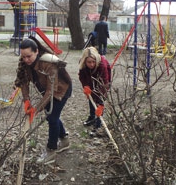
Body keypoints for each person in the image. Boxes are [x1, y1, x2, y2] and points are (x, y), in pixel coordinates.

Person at [14, 36, 72, 164]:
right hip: (47, 91)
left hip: (61, 90)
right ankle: (64, 140)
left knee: (52, 118)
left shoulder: (49, 63)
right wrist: (26, 101)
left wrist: (37, 109)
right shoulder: (25, 63)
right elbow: (23, 82)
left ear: (36, 52)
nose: (26, 59)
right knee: (52, 116)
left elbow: (51, 91)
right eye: (23, 56)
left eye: (29, 56)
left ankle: (51, 150)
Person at [78, 47, 110, 136]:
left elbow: (104, 82)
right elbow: (82, 77)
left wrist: (100, 103)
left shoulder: (102, 64)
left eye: (93, 61)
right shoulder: (82, 64)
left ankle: (98, 123)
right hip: (90, 79)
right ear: (84, 61)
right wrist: (86, 87)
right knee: (91, 97)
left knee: (99, 101)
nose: (92, 64)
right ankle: (92, 117)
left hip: (102, 81)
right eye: (89, 62)